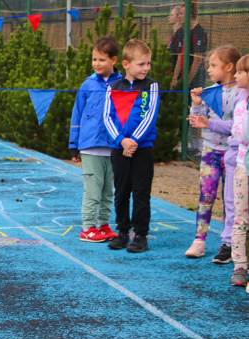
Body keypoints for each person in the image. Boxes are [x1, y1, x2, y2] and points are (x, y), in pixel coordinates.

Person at [184, 46, 243, 263]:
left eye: (213, 65)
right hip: (210, 151)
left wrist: (210, 123)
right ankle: (199, 240)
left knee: (231, 201)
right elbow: (199, 120)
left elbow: (237, 125)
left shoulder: (242, 94)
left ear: (229, 67)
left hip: (233, 154)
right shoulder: (209, 92)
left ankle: (227, 244)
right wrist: (197, 105)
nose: (208, 69)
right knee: (206, 196)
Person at [104, 39, 160, 253]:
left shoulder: (151, 86)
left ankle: (141, 235)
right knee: (121, 191)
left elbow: (150, 116)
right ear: (126, 64)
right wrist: (121, 141)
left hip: (142, 149)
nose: (146, 68)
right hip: (120, 149)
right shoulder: (112, 87)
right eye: (141, 64)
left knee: (141, 192)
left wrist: (133, 141)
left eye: (148, 63)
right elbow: (107, 117)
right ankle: (123, 232)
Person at [69, 35, 122, 243]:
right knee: (92, 189)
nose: (97, 64)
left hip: (113, 146)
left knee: (108, 189)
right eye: (94, 59)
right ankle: (87, 227)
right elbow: (77, 114)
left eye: (102, 59)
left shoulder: (123, 84)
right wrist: (74, 144)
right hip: (90, 146)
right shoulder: (87, 85)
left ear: (114, 60)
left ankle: (103, 224)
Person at [228, 55, 249, 287]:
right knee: (240, 218)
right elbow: (241, 135)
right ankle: (240, 266)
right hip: (244, 168)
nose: (235, 76)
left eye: (240, 72)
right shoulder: (242, 104)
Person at [169, 2, 208, 91]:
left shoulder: (199, 32)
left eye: (181, 14)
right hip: (183, 75)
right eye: (178, 14)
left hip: (195, 78)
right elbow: (180, 56)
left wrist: (188, 81)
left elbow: (197, 60)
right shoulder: (181, 31)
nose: (178, 16)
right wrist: (174, 78)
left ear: (189, 14)